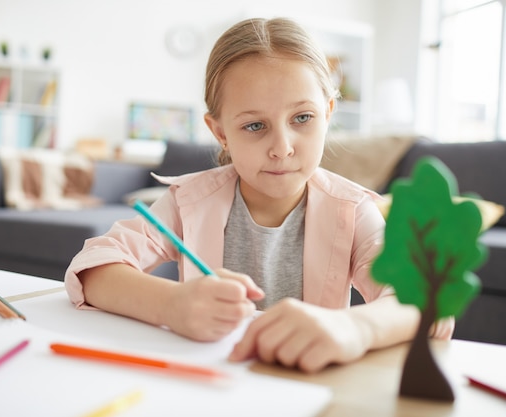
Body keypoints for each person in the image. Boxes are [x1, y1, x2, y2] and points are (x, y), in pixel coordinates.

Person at [64, 17, 453, 373]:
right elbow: (93, 268)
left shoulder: (353, 210)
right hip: (208, 381)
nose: (282, 147)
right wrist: (172, 305)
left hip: (309, 387)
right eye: (254, 126)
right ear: (220, 133)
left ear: (329, 112)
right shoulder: (190, 200)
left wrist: (355, 329)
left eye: (302, 118)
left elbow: (428, 302)